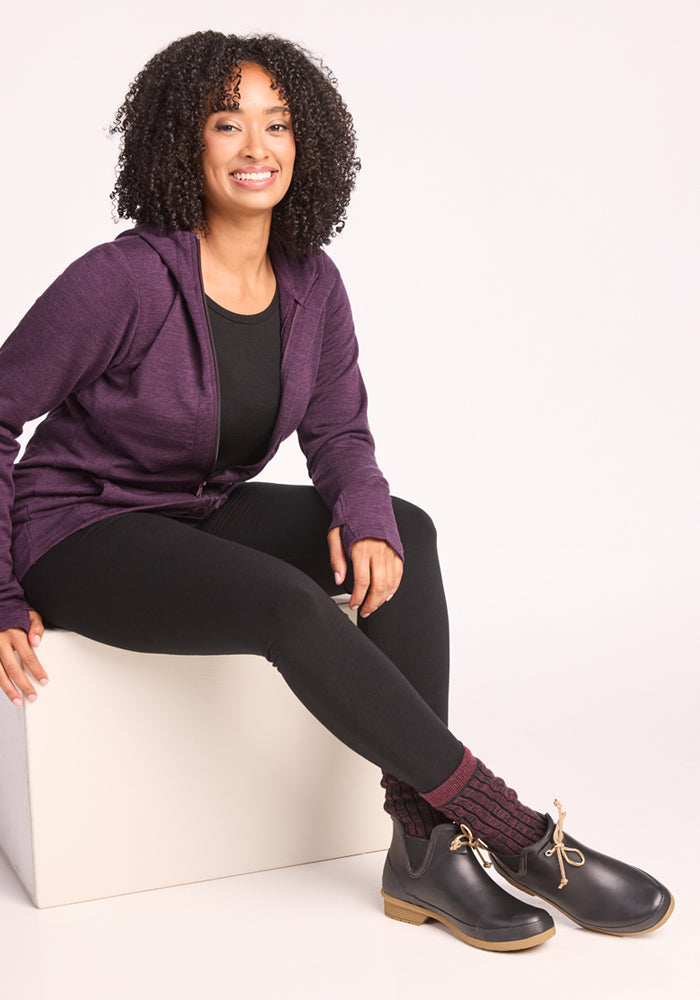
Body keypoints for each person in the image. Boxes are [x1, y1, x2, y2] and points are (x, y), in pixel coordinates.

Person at [0, 30, 673, 951]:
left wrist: (362, 514)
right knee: (287, 603)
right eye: (227, 124)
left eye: (277, 125)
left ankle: (425, 846)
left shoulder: (311, 284)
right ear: (182, 143)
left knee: (404, 527)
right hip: (77, 529)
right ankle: (514, 831)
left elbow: (340, 433)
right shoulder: (121, 281)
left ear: (304, 143)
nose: (256, 148)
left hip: (196, 510)